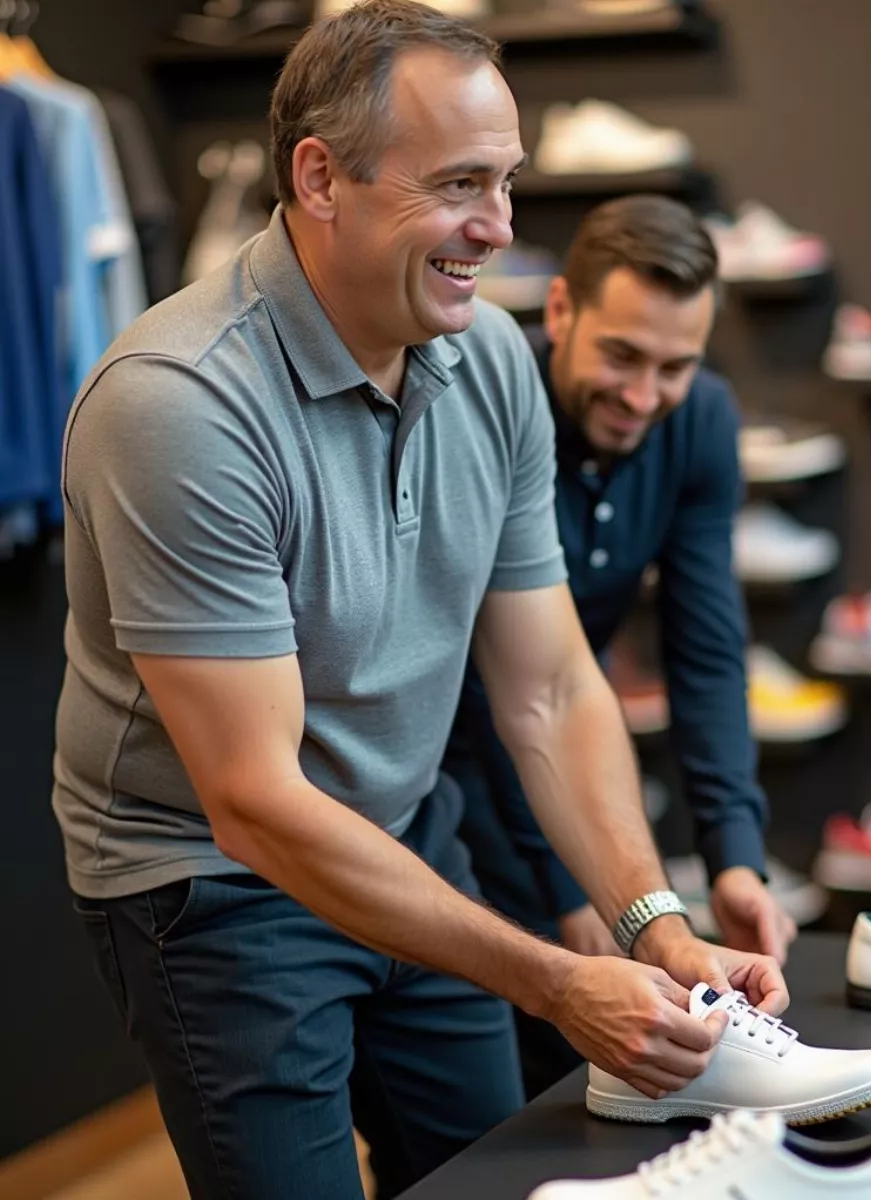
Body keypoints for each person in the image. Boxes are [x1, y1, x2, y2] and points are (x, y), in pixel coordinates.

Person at [50, 4, 787, 1198]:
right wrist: (551, 976)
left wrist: (655, 923)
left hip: (403, 830)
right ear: (319, 177)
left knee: (485, 1176)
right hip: (211, 885)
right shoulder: (177, 405)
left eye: (506, 183)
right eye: (457, 185)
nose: (497, 228)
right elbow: (254, 803)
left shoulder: (491, 359)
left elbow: (547, 686)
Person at [443, 194, 797, 1099]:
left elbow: (708, 648)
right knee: (497, 1099)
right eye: (622, 356)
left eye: (676, 366)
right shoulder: (486, 405)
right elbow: (489, 693)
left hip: (550, 743)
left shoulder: (702, 420)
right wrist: (571, 886)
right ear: (559, 311)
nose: (645, 397)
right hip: (443, 768)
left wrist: (735, 857)